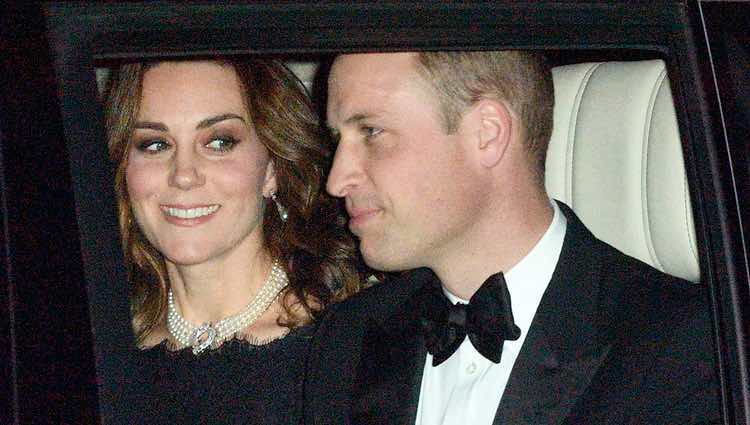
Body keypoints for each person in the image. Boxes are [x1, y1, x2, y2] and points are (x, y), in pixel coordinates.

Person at [304, 51, 721, 424]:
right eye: (340, 140)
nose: (337, 180)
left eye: (372, 132)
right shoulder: (349, 337)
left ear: (487, 133)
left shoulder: (691, 349)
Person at [105, 57, 363, 423]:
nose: (184, 176)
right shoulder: (101, 354)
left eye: (218, 142)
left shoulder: (347, 348)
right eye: (155, 145)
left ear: (272, 168)